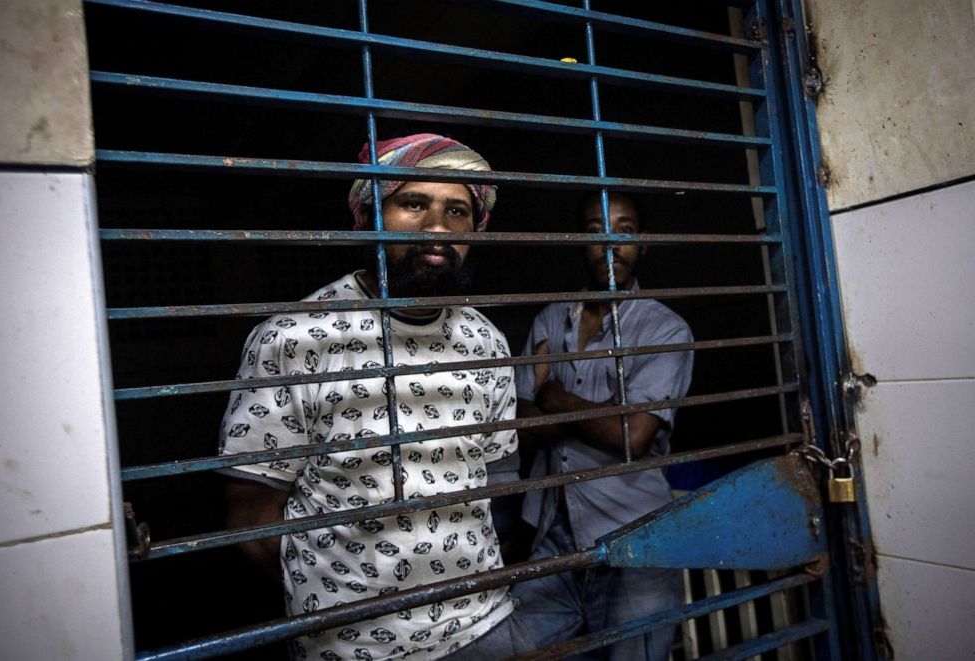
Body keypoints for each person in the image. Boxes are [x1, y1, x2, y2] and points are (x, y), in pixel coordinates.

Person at [219, 134, 529, 660]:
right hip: (353, 645)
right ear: (369, 214)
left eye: (457, 211)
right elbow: (253, 516)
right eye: (414, 204)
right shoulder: (296, 337)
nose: (438, 226)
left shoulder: (486, 341)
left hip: (485, 628)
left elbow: (500, 480)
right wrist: (346, 587)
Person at [511, 191, 694, 660]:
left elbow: (632, 436)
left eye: (625, 231)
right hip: (553, 533)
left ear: (643, 244)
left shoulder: (664, 329)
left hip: (637, 537)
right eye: (595, 232)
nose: (610, 243)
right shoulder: (551, 320)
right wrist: (600, 413)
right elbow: (518, 426)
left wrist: (556, 400)